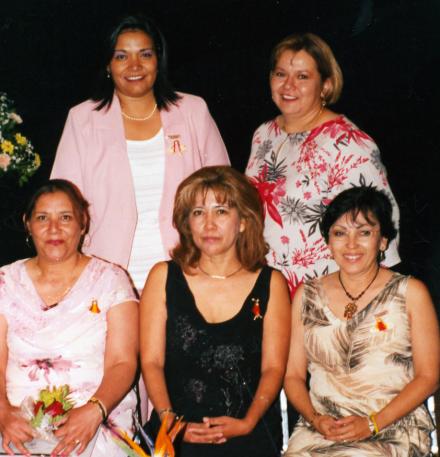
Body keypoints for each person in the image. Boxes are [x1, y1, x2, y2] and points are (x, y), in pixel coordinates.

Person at [51, 14, 230, 292]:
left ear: (159, 60)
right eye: (122, 56)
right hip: (107, 272)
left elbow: (227, 190)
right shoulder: (82, 118)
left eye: (145, 54)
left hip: (189, 267)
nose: (134, 65)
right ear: (108, 65)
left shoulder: (193, 111)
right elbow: (61, 204)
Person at [140, 166, 291, 457]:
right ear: (187, 223)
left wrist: (248, 423)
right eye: (198, 213)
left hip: (247, 432)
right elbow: (152, 361)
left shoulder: (271, 283)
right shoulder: (163, 276)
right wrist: (170, 421)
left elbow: (274, 368)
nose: (208, 224)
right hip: (175, 434)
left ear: (244, 221)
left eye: (221, 211)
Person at [284, 186, 439, 455]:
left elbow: (429, 377)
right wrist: (316, 419)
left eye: (364, 232)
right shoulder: (307, 295)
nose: (351, 244)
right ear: (328, 242)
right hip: (321, 431)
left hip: (393, 428)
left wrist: (371, 424)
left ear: (383, 241)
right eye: (340, 233)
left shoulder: (411, 293)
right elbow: (293, 376)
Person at [245, 32, 400, 299]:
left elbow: (385, 225)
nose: (288, 86)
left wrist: (366, 299)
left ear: (326, 86)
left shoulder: (349, 143)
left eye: (302, 76)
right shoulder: (264, 135)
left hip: (326, 293)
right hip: (267, 289)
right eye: (280, 74)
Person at [0, 180, 138, 457]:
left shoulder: (111, 280)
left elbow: (123, 361)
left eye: (65, 217)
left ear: (82, 223)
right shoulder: (5, 281)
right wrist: (4, 414)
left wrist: (94, 411)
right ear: (28, 224)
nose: (54, 229)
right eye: (42, 218)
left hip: (96, 417)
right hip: (16, 423)